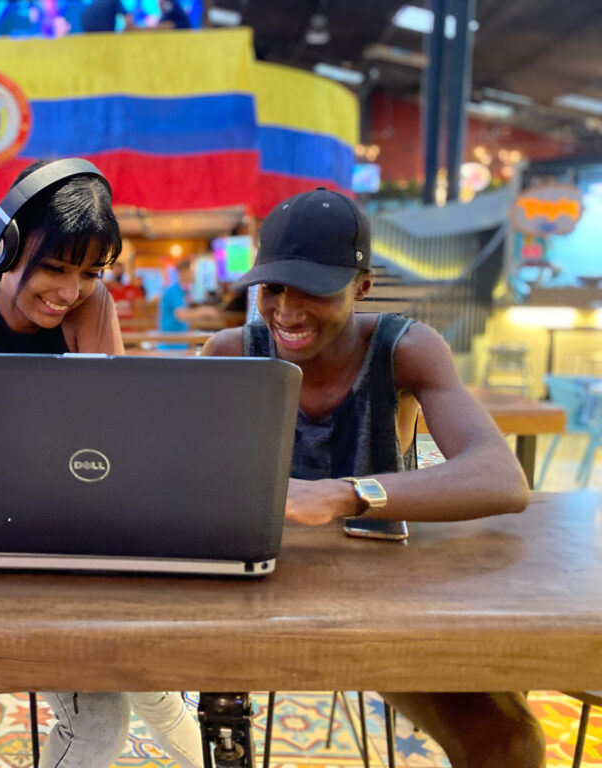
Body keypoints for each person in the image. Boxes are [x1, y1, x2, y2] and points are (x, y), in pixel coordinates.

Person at [202, 187, 544, 768]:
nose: (288, 309)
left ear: (361, 288)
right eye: (274, 287)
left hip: (385, 606)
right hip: (257, 597)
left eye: (313, 288)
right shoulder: (232, 352)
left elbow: (501, 477)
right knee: (217, 719)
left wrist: (348, 494)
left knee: (507, 743)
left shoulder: (403, 350)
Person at [0, 158, 204, 768]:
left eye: (87, 272)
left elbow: (110, 438)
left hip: (75, 523)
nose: (69, 292)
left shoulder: (92, 307)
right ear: (4, 247)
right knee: (113, 708)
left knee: (145, 672)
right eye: (54, 267)